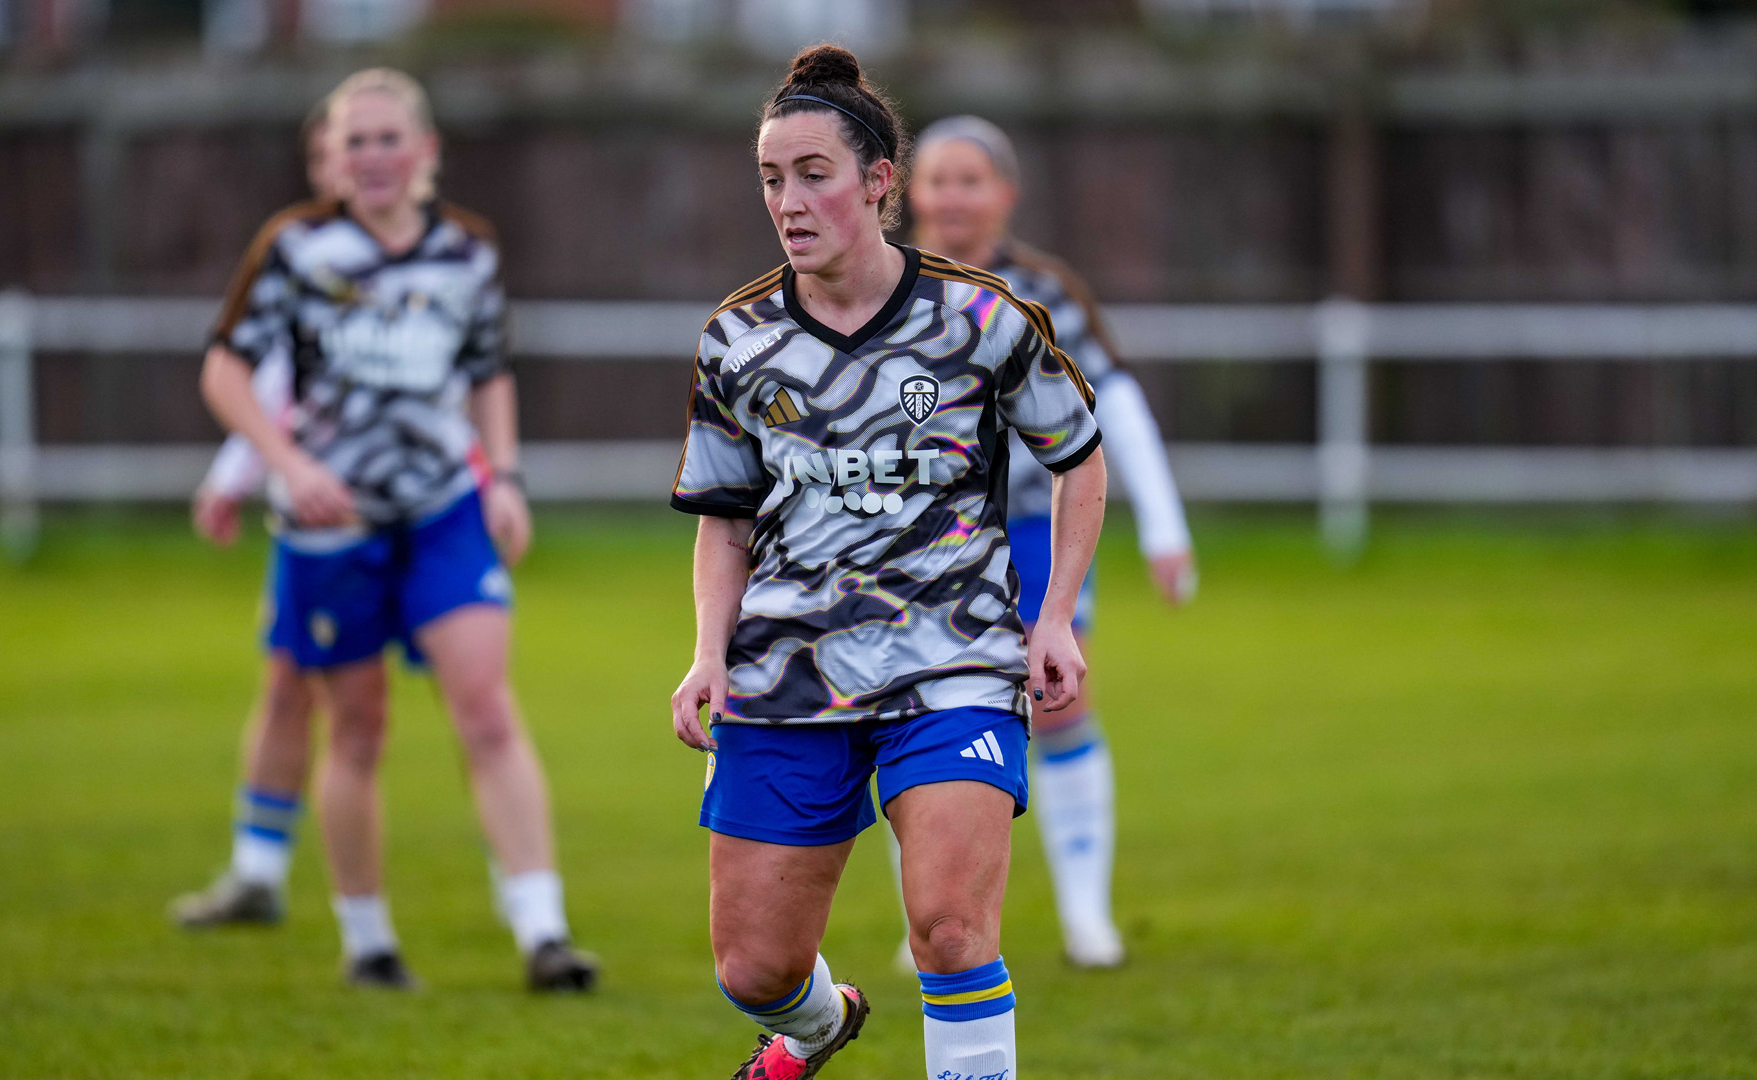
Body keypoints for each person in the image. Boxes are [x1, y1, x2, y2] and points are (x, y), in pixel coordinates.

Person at [670, 44, 1106, 1080]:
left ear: (877, 183)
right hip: (789, 669)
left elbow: (1080, 461)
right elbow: (725, 519)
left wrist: (1051, 621)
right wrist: (705, 652)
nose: (789, 199)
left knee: (951, 930)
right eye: (772, 178)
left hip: (951, 661)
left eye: (813, 172)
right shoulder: (736, 340)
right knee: (752, 967)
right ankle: (818, 1027)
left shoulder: (982, 319)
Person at [198, 67, 596, 993]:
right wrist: (289, 467)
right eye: (354, 140)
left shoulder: (468, 253)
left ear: (425, 153)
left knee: (487, 710)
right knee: (359, 727)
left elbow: (490, 372)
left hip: (443, 512)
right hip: (332, 529)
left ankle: (544, 932)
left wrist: (505, 477)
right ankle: (367, 940)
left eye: (389, 138)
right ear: (331, 157)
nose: (372, 156)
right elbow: (225, 370)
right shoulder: (295, 249)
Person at [887, 113, 1198, 970]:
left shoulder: (1044, 293)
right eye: (938, 179)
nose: (952, 197)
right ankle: (930, 921)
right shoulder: (883, 287)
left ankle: (1085, 917)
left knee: (1057, 702)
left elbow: (1116, 404)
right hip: (913, 536)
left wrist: (1164, 527)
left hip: (1031, 527)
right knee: (912, 714)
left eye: (970, 179)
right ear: (906, 190)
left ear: (1005, 194)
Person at [171, 101, 355, 934]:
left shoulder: (437, 264)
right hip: (316, 523)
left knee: (479, 712)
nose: (347, 167)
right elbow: (265, 384)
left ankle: (534, 915)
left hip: (418, 524)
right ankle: (257, 874)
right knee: (289, 687)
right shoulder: (298, 262)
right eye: (330, 152)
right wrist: (232, 476)